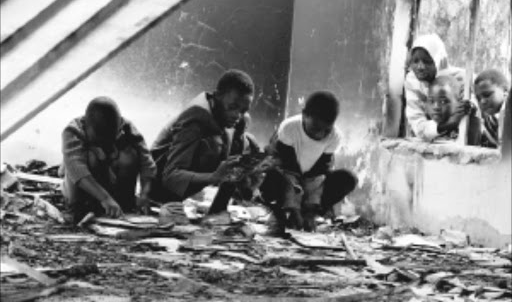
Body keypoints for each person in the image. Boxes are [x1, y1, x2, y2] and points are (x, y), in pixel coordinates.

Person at [150, 69, 260, 211]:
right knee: (214, 145)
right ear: (217, 97)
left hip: (188, 180)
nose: (237, 115)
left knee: (246, 143)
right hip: (158, 184)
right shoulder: (195, 118)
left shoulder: (239, 119)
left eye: (243, 110)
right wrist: (213, 177)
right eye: (232, 107)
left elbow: (234, 166)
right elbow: (170, 177)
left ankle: (218, 210)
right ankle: (167, 204)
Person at [261, 91, 358, 234]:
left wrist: (311, 210)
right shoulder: (289, 129)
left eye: (327, 130)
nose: (320, 135)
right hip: (286, 179)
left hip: (310, 182)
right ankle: (281, 214)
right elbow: (287, 172)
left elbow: (318, 176)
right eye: (316, 128)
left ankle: (310, 216)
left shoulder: (334, 137)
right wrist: (293, 207)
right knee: (271, 176)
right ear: (304, 115)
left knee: (348, 179)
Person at [60, 97, 156, 224]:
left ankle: (123, 203)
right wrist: (105, 198)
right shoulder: (73, 130)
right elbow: (77, 170)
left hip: (111, 185)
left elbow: (147, 164)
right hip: (86, 191)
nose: (105, 143)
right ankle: (83, 207)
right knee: (91, 157)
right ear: (86, 125)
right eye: (98, 139)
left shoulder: (127, 128)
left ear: (120, 125)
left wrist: (145, 194)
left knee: (130, 154)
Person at [404, 33, 468, 141]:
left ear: (438, 60)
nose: (420, 67)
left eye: (427, 61)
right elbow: (419, 127)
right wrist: (450, 123)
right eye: (415, 61)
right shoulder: (412, 81)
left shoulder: (461, 80)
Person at [425, 73, 479, 144]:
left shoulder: (464, 123)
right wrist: (451, 122)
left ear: (459, 101)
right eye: (431, 101)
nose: (436, 107)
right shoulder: (429, 125)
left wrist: (470, 109)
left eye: (443, 101)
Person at [474, 69, 510, 148]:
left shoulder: (508, 113)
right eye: (478, 98)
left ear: (505, 91)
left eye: (487, 95)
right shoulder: (489, 118)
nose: (482, 101)